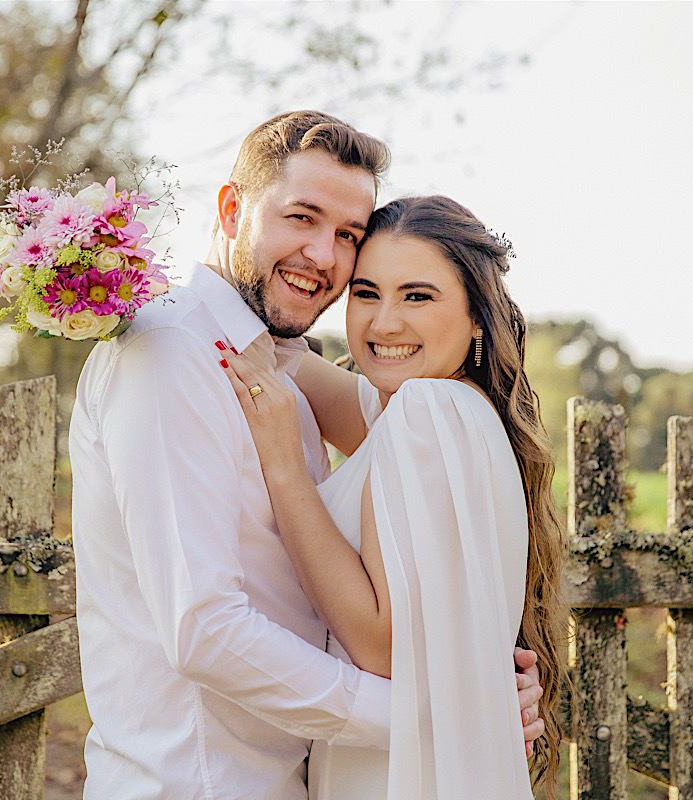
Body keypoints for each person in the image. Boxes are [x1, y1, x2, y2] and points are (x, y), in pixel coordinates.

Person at [68, 111, 546, 800]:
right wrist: (441, 716)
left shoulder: (287, 370)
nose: (324, 255)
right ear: (232, 209)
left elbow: (410, 489)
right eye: (301, 217)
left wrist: (470, 672)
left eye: (348, 235)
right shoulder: (172, 352)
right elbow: (204, 629)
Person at [219, 194, 568, 799]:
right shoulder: (454, 412)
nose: (384, 324)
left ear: (479, 317)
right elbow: (279, 353)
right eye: (365, 293)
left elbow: (380, 648)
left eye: (418, 296)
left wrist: (285, 468)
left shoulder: (425, 411)